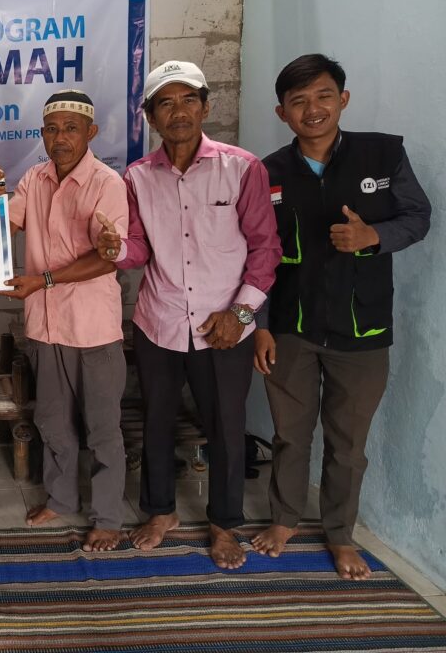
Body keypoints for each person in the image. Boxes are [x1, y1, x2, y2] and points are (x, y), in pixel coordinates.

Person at [250, 54, 431, 580]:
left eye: (323, 96)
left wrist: (374, 236)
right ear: (282, 112)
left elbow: (417, 216)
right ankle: (284, 518)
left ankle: (340, 534)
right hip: (292, 327)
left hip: (363, 330)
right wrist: (260, 325)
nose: (313, 109)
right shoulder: (268, 172)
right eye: (299, 101)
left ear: (343, 100)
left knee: (348, 445)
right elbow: (259, 254)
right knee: (290, 434)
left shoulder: (382, 154)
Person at [97, 61, 281, 569]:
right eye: (165, 103)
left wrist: (240, 314)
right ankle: (161, 512)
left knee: (226, 427)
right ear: (150, 116)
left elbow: (266, 250)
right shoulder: (137, 176)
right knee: (156, 421)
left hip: (225, 325)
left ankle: (224, 525)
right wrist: (115, 248)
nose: (178, 112)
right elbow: (138, 249)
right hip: (160, 321)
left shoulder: (242, 167)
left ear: (205, 106)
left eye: (188, 100)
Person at [0, 89, 130, 551]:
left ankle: (107, 517)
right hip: (45, 327)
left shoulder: (107, 182)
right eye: (52, 129)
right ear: (42, 134)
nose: (60, 137)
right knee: (52, 421)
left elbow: (106, 258)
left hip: (93, 328)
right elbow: (4, 228)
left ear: (91, 132)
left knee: (103, 428)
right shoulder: (34, 178)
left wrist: (43, 280)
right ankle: (62, 498)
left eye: (71, 128)